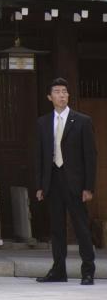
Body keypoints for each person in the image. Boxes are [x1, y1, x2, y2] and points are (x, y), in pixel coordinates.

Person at [35, 77, 97, 286]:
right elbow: (41, 156)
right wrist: (40, 186)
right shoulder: (43, 122)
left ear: (68, 95)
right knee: (57, 229)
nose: (61, 95)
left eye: (64, 91)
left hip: (76, 183)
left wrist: (88, 187)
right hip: (53, 180)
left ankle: (88, 271)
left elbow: (90, 156)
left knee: (81, 227)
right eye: (57, 92)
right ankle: (58, 270)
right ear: (49, 97)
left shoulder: (82, 121)